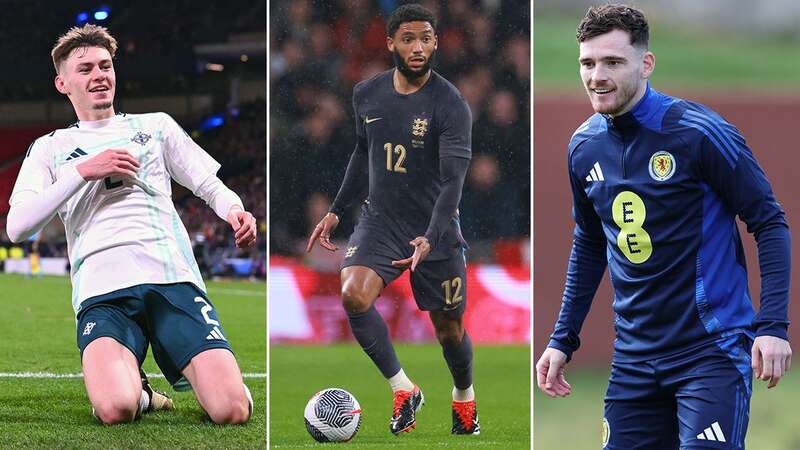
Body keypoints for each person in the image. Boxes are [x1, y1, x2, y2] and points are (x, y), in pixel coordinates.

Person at [536, 4, 792, 449]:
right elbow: (590, 243)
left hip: (710, 353)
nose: (598, 76)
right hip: (634, 361)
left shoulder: (699, 133)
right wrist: (563, 338)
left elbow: (769, 221)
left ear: (646, 63)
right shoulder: (583, 147)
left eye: (613, 62)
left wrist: (773, 326)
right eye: (588, 63)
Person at [6, 24, 257, 425]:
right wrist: (83, 170)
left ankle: (222, 382)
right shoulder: (50, 148)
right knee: (115, 408)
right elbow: (18, 227)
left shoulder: (154, 126)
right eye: (85, 69)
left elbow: (207, 183)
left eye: (105, 66)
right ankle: (138, 391)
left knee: (232, 411)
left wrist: (234, 209)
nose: (99, 75)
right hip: (102, 292)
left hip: (171, 280)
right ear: (62, 83)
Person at [306, 4, 478, 436]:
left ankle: (464, 399)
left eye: (425, 38)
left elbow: (454, 184)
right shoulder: (367, 94)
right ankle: (404, 389)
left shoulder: (451, 105)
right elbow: (362, 155)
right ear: (391, 43)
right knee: (353, 295)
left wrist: (432, 237)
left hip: (433, 228)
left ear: (436, 42)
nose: (417, 47)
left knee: (450, 332)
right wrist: (336, 210)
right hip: (380, 222)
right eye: (407, 39)